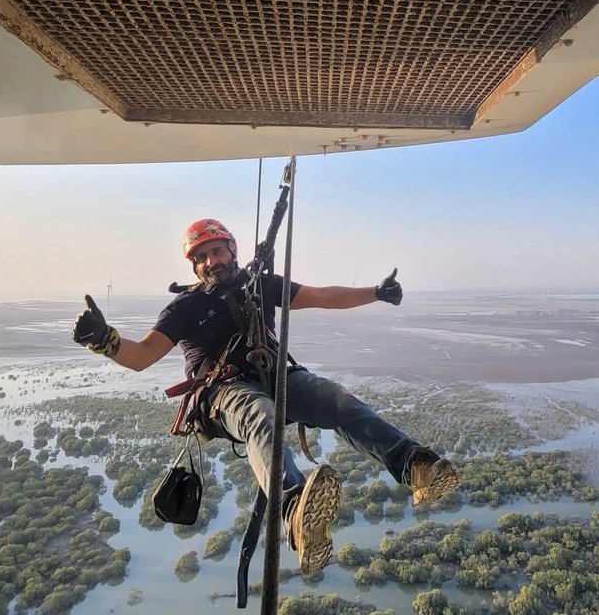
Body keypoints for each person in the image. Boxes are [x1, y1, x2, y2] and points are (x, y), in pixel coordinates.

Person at [71, 218, 462, 574]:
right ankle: (295, 510)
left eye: (216, 251)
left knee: (334, 398)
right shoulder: (186, 307)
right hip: (224, 394)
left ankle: (415, 466)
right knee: (260, 415)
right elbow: (142, 356)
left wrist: (376, 292)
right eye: (201, 257)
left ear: (232, 251)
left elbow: (324, 296)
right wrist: (106, 342)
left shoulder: (261, 286)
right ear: (194, 266)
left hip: (276, 376)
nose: (211, 261)